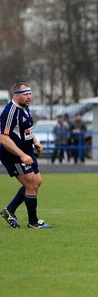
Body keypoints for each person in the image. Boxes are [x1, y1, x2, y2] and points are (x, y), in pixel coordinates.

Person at [0, 83, 52, 229]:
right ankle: (33, 222)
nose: (29, 97)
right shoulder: (10, 112)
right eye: (25, 94)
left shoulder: (25, 108)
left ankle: (9, 210)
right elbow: (3, 138)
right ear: (16, 95)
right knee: (31, 184)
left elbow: (27, 129)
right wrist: (22, 155)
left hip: (26, 151)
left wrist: (35, 141)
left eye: (30, 93)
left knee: (37, 181)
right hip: (13, 155)